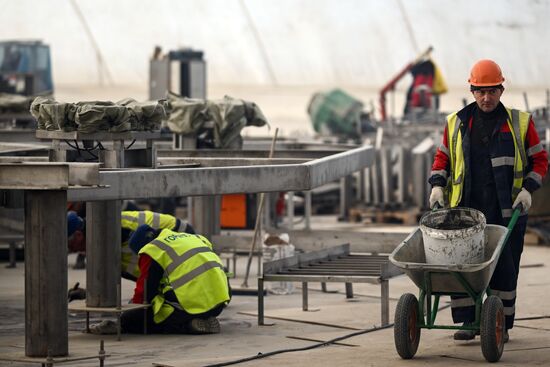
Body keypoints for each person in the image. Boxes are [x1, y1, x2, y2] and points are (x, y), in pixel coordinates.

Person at [428, 59, 548, 342]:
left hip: (507, 211)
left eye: (492, 91)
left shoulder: (520, 123)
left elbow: (540, 160)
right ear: (472, 91)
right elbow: (442, 157)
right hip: (465, 210)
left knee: (504, 267)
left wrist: (528, 189)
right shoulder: (456, 122)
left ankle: (499, 325)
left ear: (501, 90)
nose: (486, 97)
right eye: (481, 91)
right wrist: (437, 185)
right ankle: (468, 322)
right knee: (463, 266)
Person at [116, 224, 231, 334]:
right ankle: (205, 318)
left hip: (192, 307)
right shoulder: (192, 237)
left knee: (140, 322)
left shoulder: (152, 249)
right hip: (219, 303)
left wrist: (130, 313)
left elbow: (145, 292)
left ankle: (188, 325)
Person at [67, 210, 195, 279]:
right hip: (174, 248)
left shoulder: (111, 231)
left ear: (78, 235)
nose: (71, 249)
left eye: (70, 244)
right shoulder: (101, 244)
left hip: (181, 237)